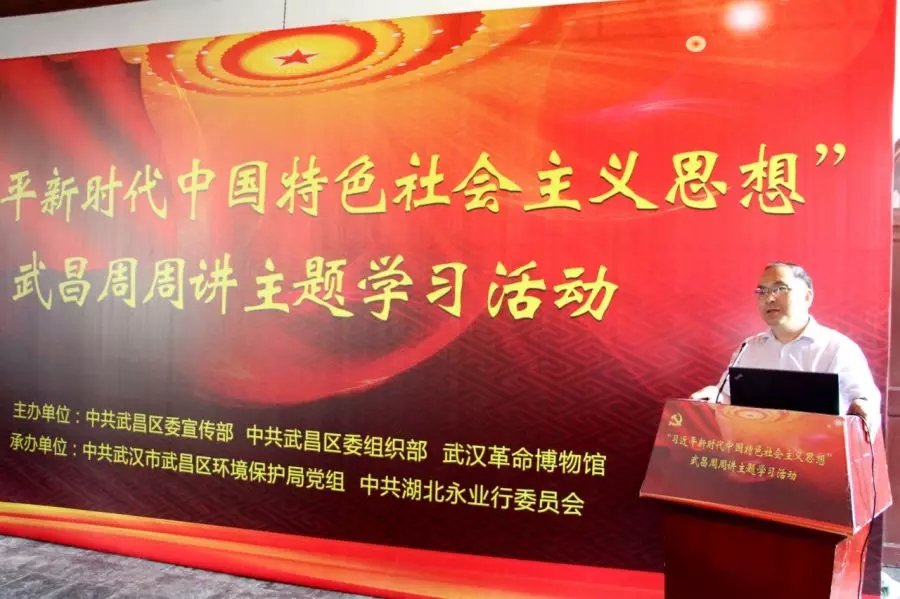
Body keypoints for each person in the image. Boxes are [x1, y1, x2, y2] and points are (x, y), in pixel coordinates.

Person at [690, 262, 881, 436]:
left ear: (807, 297)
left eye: (780, 289)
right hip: (756, 454)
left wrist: (863, 406)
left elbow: (864, 403)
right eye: (762, 291)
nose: (769, 298)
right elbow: (729, 397)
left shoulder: (838, 349)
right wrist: (714, 395)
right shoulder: (748, 348)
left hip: (819, 457)